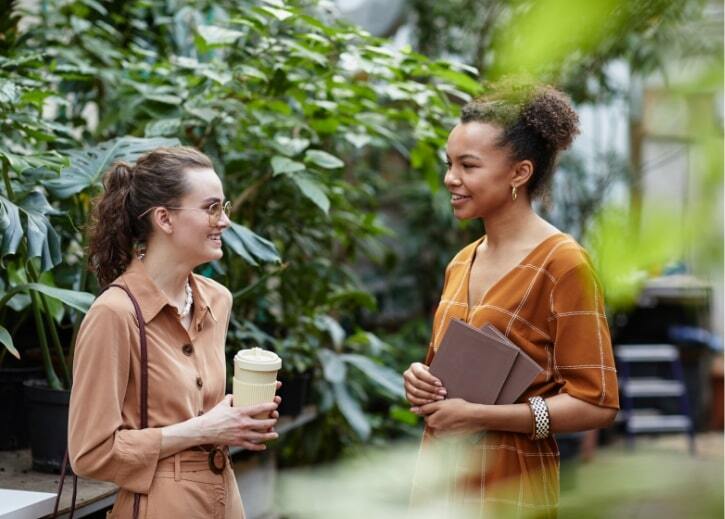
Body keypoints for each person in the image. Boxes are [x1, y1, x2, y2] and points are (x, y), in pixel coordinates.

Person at [404, 82, 619, 517]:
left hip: (512, 490)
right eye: (450, 164)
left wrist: (484, 416)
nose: (451, 178)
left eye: (468, 165)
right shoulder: (461, 262)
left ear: (519, 173)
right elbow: (447, 378)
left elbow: (597, 403)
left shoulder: (564, 264)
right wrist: (418, 378)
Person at [69, 147, 279, 518]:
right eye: (211, 208)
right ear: (164, 219)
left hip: (225, 498)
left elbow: (204, 412)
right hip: (160, 504)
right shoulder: (114, 314)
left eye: (224, 207)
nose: (224, 221)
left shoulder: (217, 300)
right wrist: (202, 429)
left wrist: (238, 417)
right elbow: (90, 454)